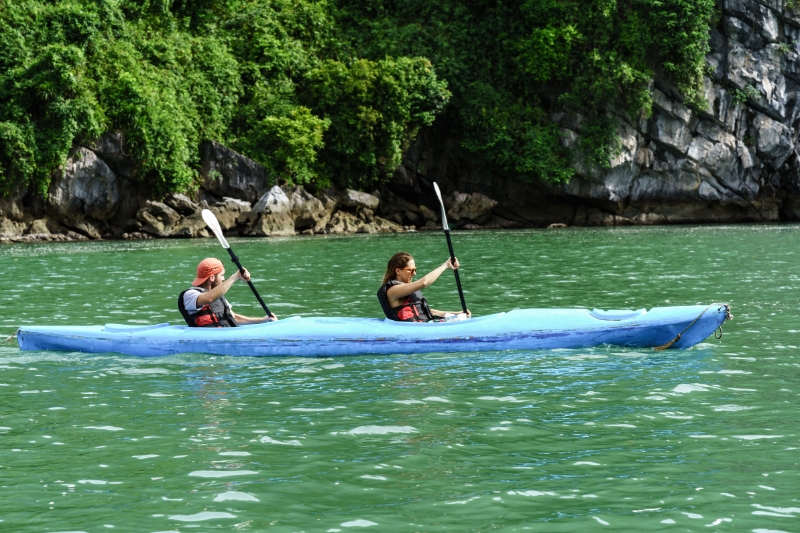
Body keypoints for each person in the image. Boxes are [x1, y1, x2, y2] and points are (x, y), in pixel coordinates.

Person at [178, 258, 277, 327]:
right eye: (222, 275)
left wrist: (263, 320)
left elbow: (233, 317)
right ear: (212, 277)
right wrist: (235, 276)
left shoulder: (218, 296)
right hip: (208, 338)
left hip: (226, 333)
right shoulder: (190, 295)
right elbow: (209, 298)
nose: (223, 278)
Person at [377, 251, 471, 322]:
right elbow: (423, 283)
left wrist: (457, 313)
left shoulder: (407, 289)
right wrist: (445, 265)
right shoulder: (392, 290)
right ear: (398, 271)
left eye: (415, 270)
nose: (414, 274)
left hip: (424, 325)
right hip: (411, 331)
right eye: (411, 270)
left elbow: (427, 312)